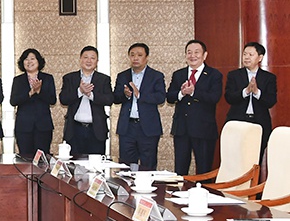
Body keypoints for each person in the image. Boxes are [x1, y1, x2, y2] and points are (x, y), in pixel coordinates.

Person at [166, 39, 223, 175]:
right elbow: (169, 97)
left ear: (204, 55)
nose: (192, 56)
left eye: (197, 52)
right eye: (189, 52)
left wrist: (194, 92)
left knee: (204, 171)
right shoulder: (178, 74)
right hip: (181, 129)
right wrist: (181, 93)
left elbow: (214, 98)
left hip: (204, 130)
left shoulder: (214, 75)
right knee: (180, 171)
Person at [113, 43, 166, 171]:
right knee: (125, 167)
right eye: (132, 55)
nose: (135, 58)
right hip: (127, 128)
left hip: (148, 128)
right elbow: (115, 98)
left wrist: (140, 95)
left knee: (148, 165)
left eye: (139, 55)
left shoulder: (156, 76)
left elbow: (160, 98)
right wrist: (125, 95)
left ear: (146, 57)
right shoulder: (122, 76)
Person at [225, 41, 277, 158]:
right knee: (236, 158)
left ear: (260, 58)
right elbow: (229, 97)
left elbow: (271, 100)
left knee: (255, 158)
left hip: (259, 122)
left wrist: (257, 92)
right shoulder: (234, 75)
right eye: (244, 54)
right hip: (238, 122)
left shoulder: (269, 78)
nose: (246, 57)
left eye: (250, 55)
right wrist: (246, 91)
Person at [59, 46, 113, 157]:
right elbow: (63, 99)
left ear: (97, 61)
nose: (89, 61)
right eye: (85, 57)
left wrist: (90, 95)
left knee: (96, 164)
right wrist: (80, 91)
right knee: (74, 163)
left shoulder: (103, 79)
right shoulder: (70, 78)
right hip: (74, 130)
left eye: (92, 58)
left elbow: (109, 99)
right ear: (80, 60)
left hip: (96, 130)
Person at [10, 48, 56, 157]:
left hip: (43, 126)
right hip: (23, 127)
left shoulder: (47, 78)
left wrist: (39, 91)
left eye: (32, 59)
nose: (29, 62)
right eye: (26, 59)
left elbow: (52, 100)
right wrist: (30, 93)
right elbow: (13, 101)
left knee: (42, 158)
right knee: (25, 158)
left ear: (39, 61)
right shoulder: (18, 80)